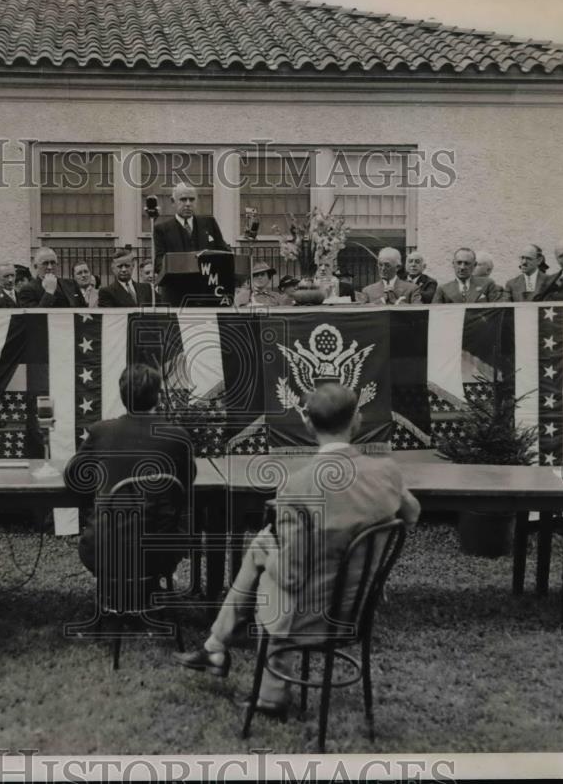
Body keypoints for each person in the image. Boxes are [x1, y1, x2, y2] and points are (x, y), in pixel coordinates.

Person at [173, 383, 420, 714]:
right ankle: (215, 646)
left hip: (314, 614)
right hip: (357, 606)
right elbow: (412, 513)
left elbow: (289, 576)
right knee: (263, 543)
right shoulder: (386, 471)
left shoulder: (298, 485)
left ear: (308, 425)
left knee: (269, 572)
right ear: (357, 420)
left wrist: (270, 567)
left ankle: (270, 696)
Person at [64, 364, 195, 580]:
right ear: (158, 398)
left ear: (123, 397)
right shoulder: (178, 436)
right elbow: (185, 483)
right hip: (158, 553)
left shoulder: (101, 431)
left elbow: (73, 477)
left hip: (102, 550)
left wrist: (102, 489)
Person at [152, 182, 229, 274]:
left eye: (192, 199)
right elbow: (159, 263)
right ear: (173, 201)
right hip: (177, 284)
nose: (188, 204)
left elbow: (224, 252)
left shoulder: (209, 223)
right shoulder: (161, 230)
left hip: (206, 284)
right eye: (183, 199)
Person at [431, 248, 504, 303]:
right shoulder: (443, 289)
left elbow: (496, 311)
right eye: (459, 263)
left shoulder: (487, 284)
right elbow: (435, 314)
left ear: (474, 265)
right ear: (453, 264)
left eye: (466, 263)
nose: (462, 267)